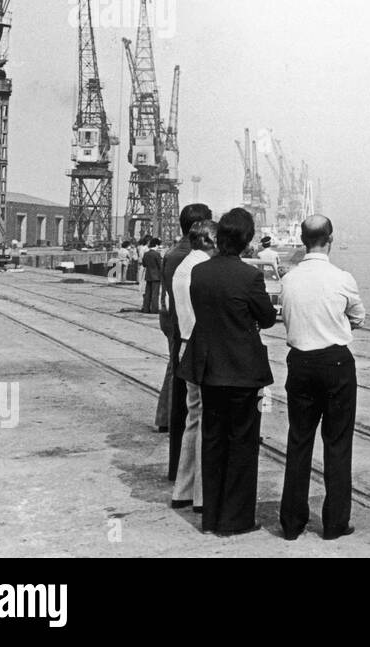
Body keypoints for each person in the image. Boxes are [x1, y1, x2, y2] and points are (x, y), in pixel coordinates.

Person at [178, 207, 277, 536]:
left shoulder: (200, 272)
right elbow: (266, 318)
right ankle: (237, 519)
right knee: (243, 444)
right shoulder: (249, 276)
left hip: (208, 368)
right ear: (247, 239)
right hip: (242, 371)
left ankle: (211, 517)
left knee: (213, 440)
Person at [278, 214, 364, 541]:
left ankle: (291, 522)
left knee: (299, 440)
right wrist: (336, 326)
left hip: (299, 363)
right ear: (330, 239)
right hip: (336, 363)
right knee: (338, 443)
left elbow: (285, 317)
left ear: (302, 241)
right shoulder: (342, 277)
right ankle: (335, 523)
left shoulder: (289, 278)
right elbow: (358, 316)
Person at [168, 218, 217, 511]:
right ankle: (201, 496)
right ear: (207, 240)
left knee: (193, 418)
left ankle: (183, 490)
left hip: (186, 344)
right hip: (202, 347)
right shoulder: (202, 270)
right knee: (207, 422)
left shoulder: (182, 267)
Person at [158, 203, 213, 460]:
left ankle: (165, 418)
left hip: (174, 319)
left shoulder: (172, 253)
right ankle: (170, 420)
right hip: (188, 328)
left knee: (174, 370)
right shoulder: (191, 258)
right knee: (183, 383)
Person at [141, 237, 163, 314]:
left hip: (148, 276)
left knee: (147, 293)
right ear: (156, 245)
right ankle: (154, 310)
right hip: (156, 277)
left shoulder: (146, 254)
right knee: (155, 294)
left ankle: (146, 309)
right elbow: (160, 266)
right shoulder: (157, 254)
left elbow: (144, 264)